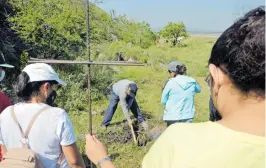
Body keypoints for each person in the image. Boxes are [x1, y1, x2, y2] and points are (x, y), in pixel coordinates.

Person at [85, 6, 265, 168]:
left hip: (174, 117)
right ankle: (110, 122)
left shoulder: (178, 142)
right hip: (188, 115)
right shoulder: (190, 82)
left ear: (216, 75)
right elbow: (197, 91)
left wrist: (103, 160)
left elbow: (161, 100)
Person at [0, 63, 85, 168]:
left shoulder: (6, 113)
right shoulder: (58, 115)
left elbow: (5, 153)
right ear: (46, 87)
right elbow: (75, 162)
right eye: (53, 87)